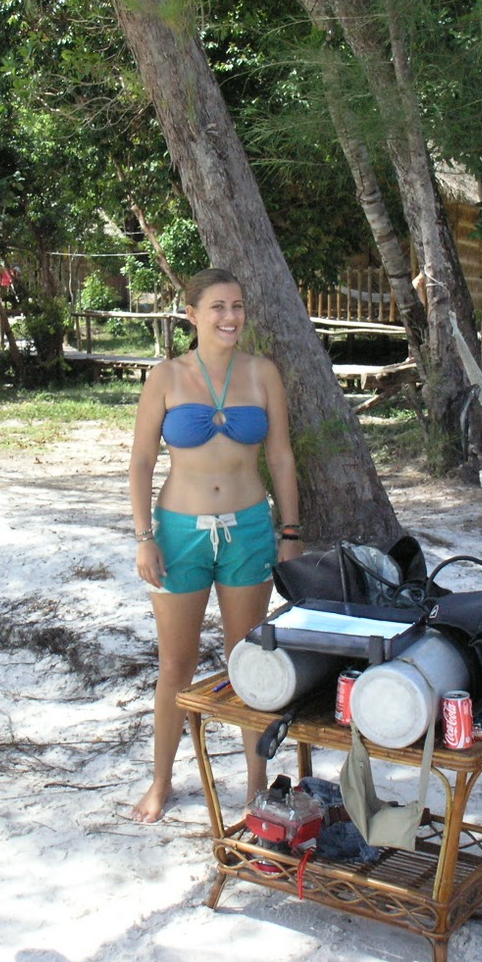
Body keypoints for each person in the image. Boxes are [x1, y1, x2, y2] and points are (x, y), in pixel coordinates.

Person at [128, 268, 303, 823]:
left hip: (249, 529)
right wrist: (143, 538)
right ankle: (160, 782)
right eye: (218, 307)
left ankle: (255, 790)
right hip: (180, 531)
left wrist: (290, 531)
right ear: (192, 315)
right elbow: (140, 462)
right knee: (175, 664)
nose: (230, 317)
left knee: (249, 661)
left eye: (237, 306)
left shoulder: (263, 374)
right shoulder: (166, 377)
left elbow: (280, 457)